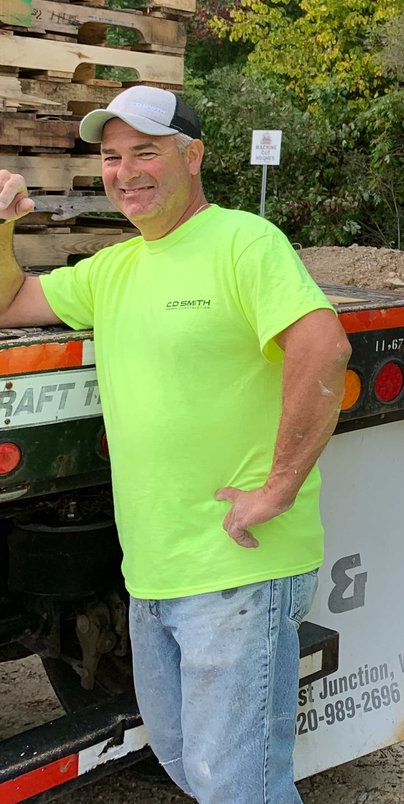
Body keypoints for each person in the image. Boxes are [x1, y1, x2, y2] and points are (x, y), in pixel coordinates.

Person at [0, 86, 351, 803]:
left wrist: (279, 487)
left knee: (238, 786)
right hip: (154, 575)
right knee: (189, 764)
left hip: (236, 571)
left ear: (193, 157)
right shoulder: (117, 269)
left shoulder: (243, 242)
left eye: (146, 153)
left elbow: (323, 347)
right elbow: (11, 303)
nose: (126, 171)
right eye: (113, 157)